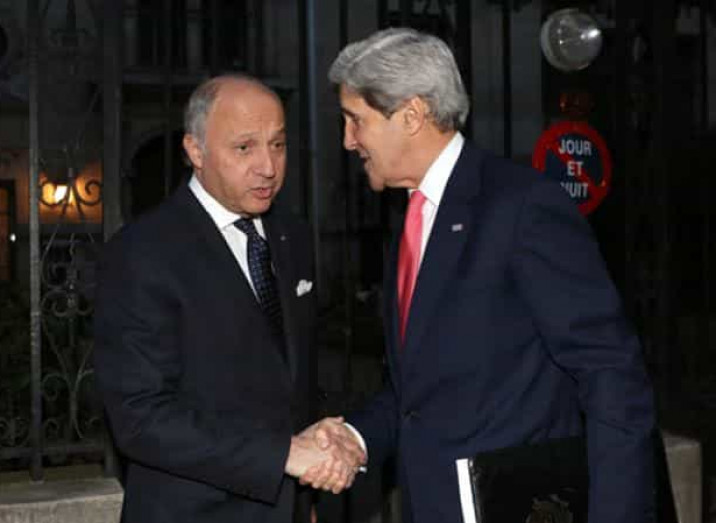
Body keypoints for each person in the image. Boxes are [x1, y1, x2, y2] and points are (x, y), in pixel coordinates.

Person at [311, 27, 657, 523]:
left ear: (411, 115)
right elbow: (420, 392)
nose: (348, 141)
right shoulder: (413, 220)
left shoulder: (521, 206)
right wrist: (357, 437)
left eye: (356, 120)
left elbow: (611, 374)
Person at [93, 74, 365, 523]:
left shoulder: (292, 236)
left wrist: (304, 498)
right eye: (244, 148)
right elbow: (140, 419)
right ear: (195, 151)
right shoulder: (142, 253)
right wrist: (283, 456)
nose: (268, 167)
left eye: (278, 145)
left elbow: (289, 379)